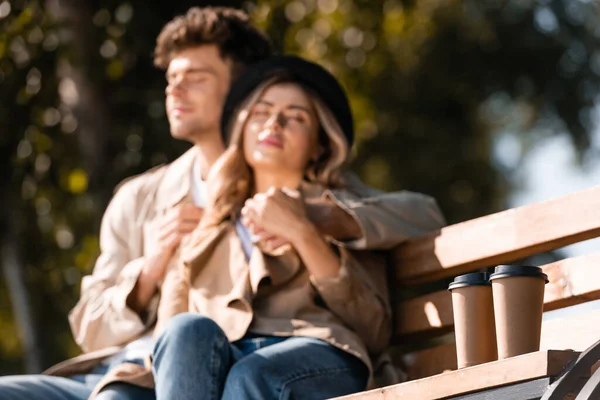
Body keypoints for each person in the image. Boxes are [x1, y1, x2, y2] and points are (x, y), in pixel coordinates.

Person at [0, 6, 444, 400]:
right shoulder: (145, 198)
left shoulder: (330, 194)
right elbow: (96, 327)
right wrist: (150, 269)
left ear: (238, 88)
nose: (175, 91)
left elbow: (415, 222)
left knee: (241, 375)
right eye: (171, 79)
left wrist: (316, 221)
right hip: (138, 368)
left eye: (195, 78)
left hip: (233, 366)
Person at [90, 54, 399, 400]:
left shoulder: (337, 212)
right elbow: (171, 334)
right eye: (261, 113)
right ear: (242, 129)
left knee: (251, 376)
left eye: (295, 117)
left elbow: (373, 330)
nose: (274, 124)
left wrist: (303, 231)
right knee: (184, 330)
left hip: (317, 352)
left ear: (319, 145)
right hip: (223, 356)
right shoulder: (208, 218)